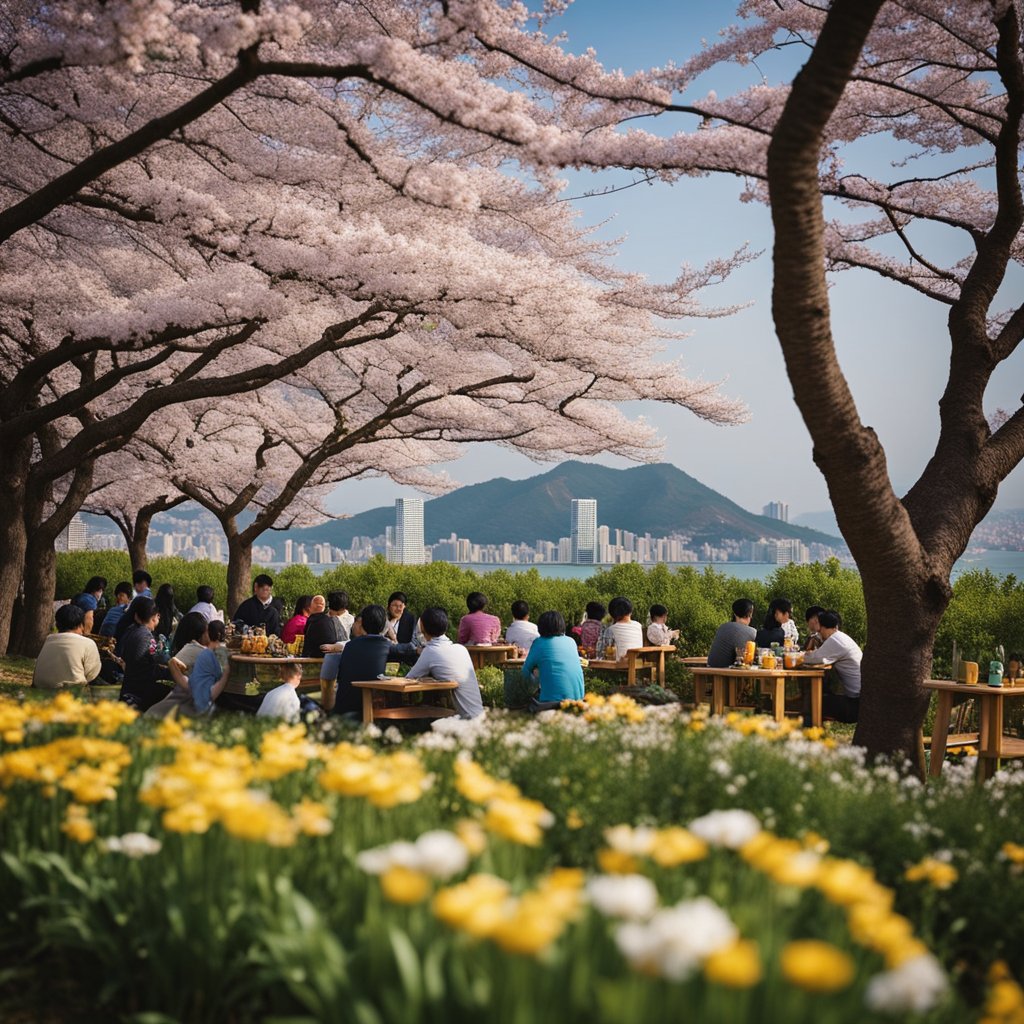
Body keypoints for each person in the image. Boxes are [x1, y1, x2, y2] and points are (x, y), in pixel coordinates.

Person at [405, 607, 484, 719]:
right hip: (479, 715)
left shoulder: (431, 650)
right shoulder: (461, 649)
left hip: (466, 721)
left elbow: (409, 678)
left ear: (423, 627)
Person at [325, 604, 392, 718]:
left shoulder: (350, 646)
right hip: (367, 712)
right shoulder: (386, 645)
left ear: (362, 623)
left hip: (343, 710)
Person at [802, 610, 862, 726]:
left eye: (820, 630)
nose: (820, 634)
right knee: (819, 697)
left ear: (824, 628)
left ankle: (811, 732)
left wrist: (797, 656)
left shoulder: (835, 640)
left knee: (814, 701)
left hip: (856, 705)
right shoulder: (841, 637)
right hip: (860, 698)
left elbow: (813, 658)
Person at [118, 597, 170, 711]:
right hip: (140, 690)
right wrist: (170, 672)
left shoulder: (130, 630)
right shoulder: (147, 637)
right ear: (155, 617)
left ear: (136, 616)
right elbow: (151, 665)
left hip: (127, 687)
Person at [32, 604, 102, 690]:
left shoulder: (49, 639)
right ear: (80, 625)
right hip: (70, 693)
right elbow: (92, 674)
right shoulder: (88, 643)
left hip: (40, 689)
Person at [522, 610, 584, 704]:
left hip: (551, 703)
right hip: (578, 701)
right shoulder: (571, 641)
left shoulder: (539, 643)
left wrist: (535, 684)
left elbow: (525, 672)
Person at [706, 599, 757, 668]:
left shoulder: (722, 627)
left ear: (734, 613)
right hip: (729, 674)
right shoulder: (752, 632)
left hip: (709, 673)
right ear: (750, 614)